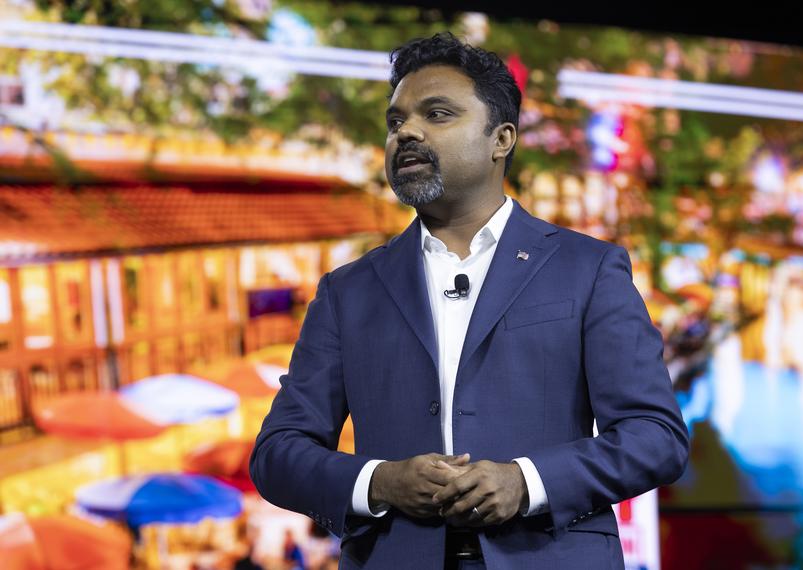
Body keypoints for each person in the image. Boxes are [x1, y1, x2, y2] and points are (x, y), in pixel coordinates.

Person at [250, 32, 689, 569]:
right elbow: (277, 455)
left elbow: (656, 437)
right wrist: (380, 481)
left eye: (436, 114)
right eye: (395, 122)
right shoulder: (348, 292)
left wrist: (526, 482)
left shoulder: (588, 269)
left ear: (500, 139)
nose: (406, 132)